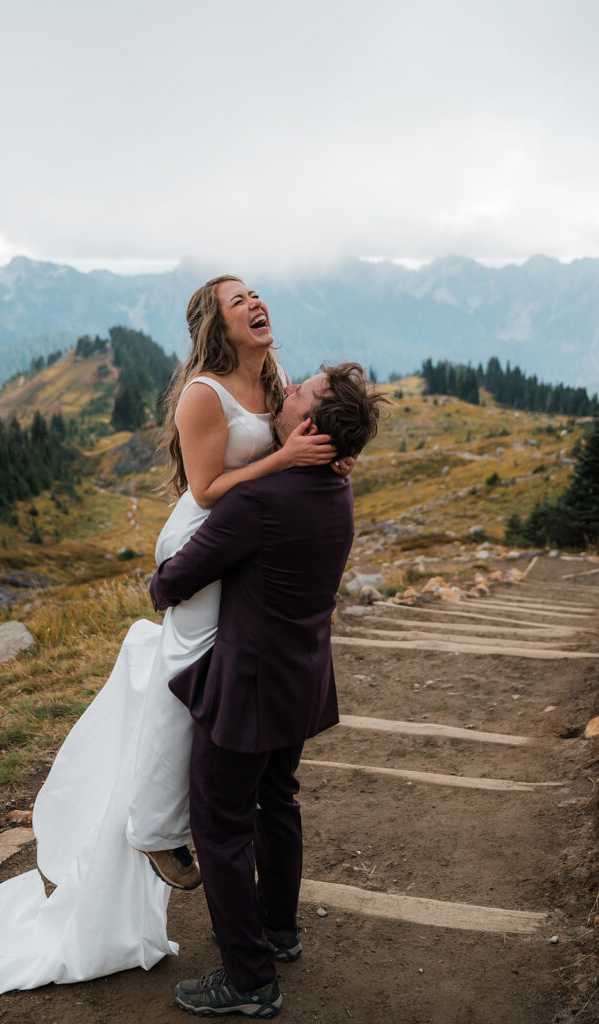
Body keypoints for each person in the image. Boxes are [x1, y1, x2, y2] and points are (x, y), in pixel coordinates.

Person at [0, 276, 346, 993]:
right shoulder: (206, 392)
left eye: (257, 293)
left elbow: (300, 434)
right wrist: (285, 464)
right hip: (212, 536)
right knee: (187, 666)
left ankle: (238, 903)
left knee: (244, 739)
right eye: (238, 301)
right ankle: (160, 825)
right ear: (215, 324)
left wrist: (328, 456)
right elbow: (204, 490)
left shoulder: (279, 379)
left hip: (249, 544)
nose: (255, 303)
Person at [147, 362, 385, 1017]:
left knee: (218, 825)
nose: (288, 387)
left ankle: (249, 978)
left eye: (302, 389)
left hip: (247, 690)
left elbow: (178, 579)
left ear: (307, 425)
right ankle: (279, 931)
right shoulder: (336, 491)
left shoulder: (259, 500)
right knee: (276, 802)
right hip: (300, 680)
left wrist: (158, 583)